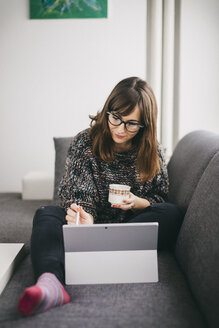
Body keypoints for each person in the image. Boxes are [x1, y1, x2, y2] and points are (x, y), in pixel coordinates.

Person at [18, 77, 183, 316]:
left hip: (129, 229)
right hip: (86, 230)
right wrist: (87, 219)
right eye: (116, 117)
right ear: (108, 110)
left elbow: (160, 198)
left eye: (131, 124)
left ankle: (107, 253)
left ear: (145, 125)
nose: (120, 129)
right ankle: (50, 283)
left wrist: (137, 203)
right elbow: (76, 194)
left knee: (172, 213)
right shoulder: (85, 141)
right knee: (46, 214)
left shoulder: (152, 150)